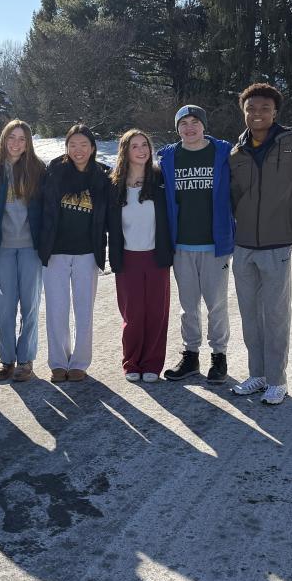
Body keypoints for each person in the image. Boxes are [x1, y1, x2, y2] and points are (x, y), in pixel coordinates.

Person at [228, 83, 292, 406]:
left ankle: (277, 380)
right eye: (251, 108)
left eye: (264, 108)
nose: (257, 114)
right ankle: (258, 374)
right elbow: (232, 196)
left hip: (277, 244)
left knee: (276, 315)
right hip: (243, 246)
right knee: (250, 315)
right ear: (244, 112)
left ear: (275, 112)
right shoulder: (236, 153)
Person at [158, 105, 235, 384]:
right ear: (177, 128)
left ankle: (219, 356)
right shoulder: (168, 157)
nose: (189, 128)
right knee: (187, 305)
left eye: (194, 122)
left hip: (215, 243)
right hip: (181, 244)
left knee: (217, 304)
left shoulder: (223, 153)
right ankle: (191, 355)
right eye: (183, 123)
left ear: (203, 125)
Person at [37, 124, 111, 383]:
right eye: (73, 145)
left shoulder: (103, 176)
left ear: (93, 148)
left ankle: (79, 362)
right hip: (55, 252)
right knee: (56, 310)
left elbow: (110, 215)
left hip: (87, 253)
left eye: (84, 145)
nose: (78, 150)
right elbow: (42, 209)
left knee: (84, 311)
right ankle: (58, 363)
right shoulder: (54, 172)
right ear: (66, 147)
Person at [0, 119, 46, 384]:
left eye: (22, 139)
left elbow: (47, 211)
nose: (16, 143)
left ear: (28, 143)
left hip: (31, 248)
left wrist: (48, 244)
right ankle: (6, 359)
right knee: (4, 306)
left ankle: (25, 359)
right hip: (1, 248)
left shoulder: (38, 170)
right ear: (3, 139)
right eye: (11, 138)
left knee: (30, 305)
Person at [108, 129, 173, 382]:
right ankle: (132, 362)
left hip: (156, 256)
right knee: (133, 314)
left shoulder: (159, 180)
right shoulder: (114, 185)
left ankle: (152, 364)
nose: (141, 150)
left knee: (157, 313)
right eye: (134, 146)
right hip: (128, 258)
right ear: (125, 151)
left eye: (144, 145)